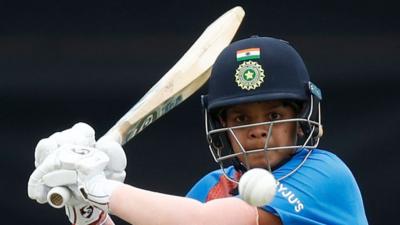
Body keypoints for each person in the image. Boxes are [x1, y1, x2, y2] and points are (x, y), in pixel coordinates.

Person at [28, 36, 368, 225]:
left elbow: (203, 223)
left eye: (274, 115)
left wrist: (101, 188)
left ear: (299, 120)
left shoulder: (325, 174)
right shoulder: (211, 189)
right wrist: (90, 213)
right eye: (240, 119)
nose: (258, 131)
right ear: (221, 126)